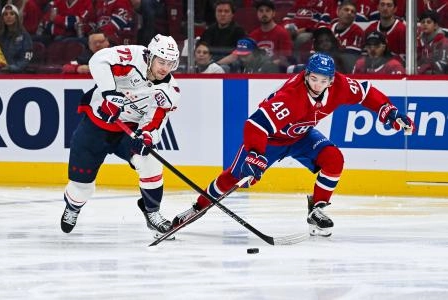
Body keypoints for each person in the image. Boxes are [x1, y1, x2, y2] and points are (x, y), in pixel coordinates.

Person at [172, 52, 414, 237]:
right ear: (306, 74)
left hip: (301, 136)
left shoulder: (339, 86)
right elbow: (255, 125)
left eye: (323, 80)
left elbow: (366, 92)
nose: (317, 84)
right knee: (232, 178)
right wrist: (256, 154)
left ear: (331, 80)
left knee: (333, 159)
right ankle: (197, 207)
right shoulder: (291, 96)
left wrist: (389, 112)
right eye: (313, 78)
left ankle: (316, 210)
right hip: (270, 140)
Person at [60, 34, 181, 240]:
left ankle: (152, 212)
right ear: (150, 56)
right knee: (81, 188)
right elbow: (98, 60)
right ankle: (73, 207)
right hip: (96, 126)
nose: (164, 68)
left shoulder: (170, 92)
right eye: (161, 61)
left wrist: (147, 136)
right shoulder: (132, 56)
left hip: (128, 131)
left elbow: (156, 120)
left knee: (150, 160)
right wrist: (109, 93)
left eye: (170, 63)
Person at [0, 4, 33, 73]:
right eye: (5, 14)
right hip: (0, 72)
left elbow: (26, 58)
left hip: (18, 74)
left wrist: (12, 68)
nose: (8, 16)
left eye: (12, 14)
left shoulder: (24, 36)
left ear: (16, 17)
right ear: (2, 18)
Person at [416, 10, 448, 74]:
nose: (425, 24)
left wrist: (423, 69)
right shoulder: (420, 41)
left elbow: (441, 67)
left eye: (428, 22)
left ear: (435, 25)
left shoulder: (443, 42)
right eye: (423, 22)